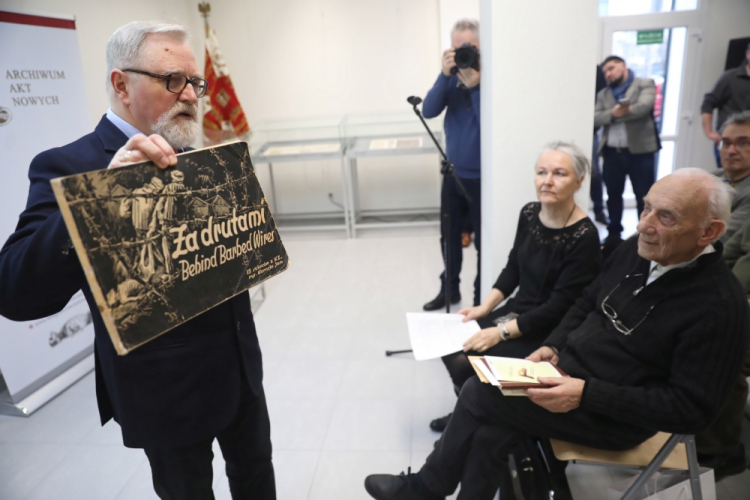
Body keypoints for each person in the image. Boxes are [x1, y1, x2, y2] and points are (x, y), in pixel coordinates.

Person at [0, 21, 275, 500]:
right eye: (173, 80)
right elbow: (15, 291)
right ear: (121, 84)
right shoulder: (68, 166)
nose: (190, 94)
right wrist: (101, 199)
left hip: (241, 371)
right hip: (166, 392)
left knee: (257, 479)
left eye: (196, 83)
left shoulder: (199, 151)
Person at [364, 168, 749, 500]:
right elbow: (585, 301)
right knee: (491, 428)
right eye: (646, 207)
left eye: (666, 217)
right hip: (568, 374)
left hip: (612, 415)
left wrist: (586, 393)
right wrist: (553, 344)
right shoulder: (640, 249)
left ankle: (425, 490)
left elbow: (690, 410)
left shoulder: (718, 307)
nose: (644, 224)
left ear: (708, 232)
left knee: (479, 391)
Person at [429, 142, 602, 433]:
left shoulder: (584, 236)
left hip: (552, 330)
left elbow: (559, 306)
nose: (547, 181)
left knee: (465, 361)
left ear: (579, 181)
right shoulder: (530, 213)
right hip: (517, 312)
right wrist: (485, 308)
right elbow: (513, 267)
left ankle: (474, 415)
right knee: (450, 345)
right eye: (541, 172)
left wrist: (499, 332)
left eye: (559, 173)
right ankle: (466, 410)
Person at [421, 19, 481, 311]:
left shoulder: (490, 80)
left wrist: (477, 86)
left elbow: (490, 125)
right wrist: (444, 75)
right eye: (457, 48)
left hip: (484, 179)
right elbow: (429, 110)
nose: (463, 53)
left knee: (484, 240)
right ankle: (450, 290)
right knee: (449, 237)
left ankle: (483, 294)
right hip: (454, 175)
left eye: (468, 48)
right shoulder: (451, 79)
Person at [696, 216, 750, 480]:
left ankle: (720, 451)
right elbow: (728, 255)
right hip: (735, 300)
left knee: (722, 355)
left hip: (742, 309)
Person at [595, 55, 660, 258]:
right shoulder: (604, 93)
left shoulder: (644, 83)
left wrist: (616, 113)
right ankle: (614, 234)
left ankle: (646, 233)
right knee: (613, 195)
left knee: (645, 196)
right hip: (612, 152)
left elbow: (644, 107)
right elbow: (596, 117)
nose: (609, 73)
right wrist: (614, 114)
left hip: (640, 152)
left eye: (612, 68)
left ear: (624, 66)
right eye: (606, 71)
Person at [701, 42, 750, 169]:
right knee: (728, 177)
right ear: (747, 54)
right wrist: (709, 132)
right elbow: (708, 103)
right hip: (729, 139)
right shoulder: (730, 77)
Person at [714, 111, 750, 242]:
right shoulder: (709, 177)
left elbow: (721, 237)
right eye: (726, 143)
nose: (731, 151)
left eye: (742, 143)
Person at [591, 64, 608, 225]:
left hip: (590, 129)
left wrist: (595, 125)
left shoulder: (595, 69)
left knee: (594, 172)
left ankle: (598, 210)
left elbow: (601, 98)